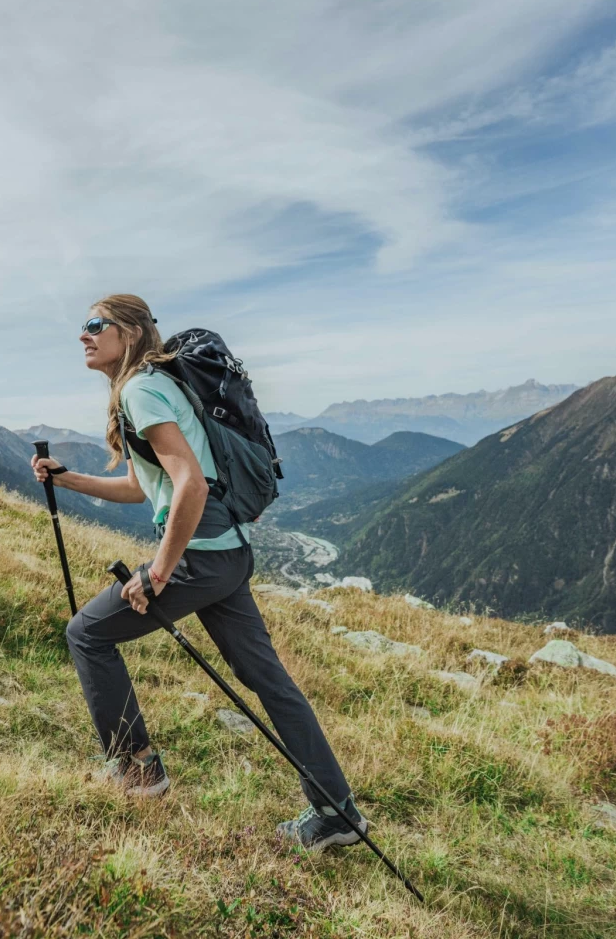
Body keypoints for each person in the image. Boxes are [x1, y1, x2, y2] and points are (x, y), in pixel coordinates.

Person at [29, 293, 365, 853]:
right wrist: (67, 480)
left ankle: (138, 770)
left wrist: (159, 572)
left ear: (129, 332)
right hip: (228, 551)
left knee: (86, 634)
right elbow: (145, 486)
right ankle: (338, 813)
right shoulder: (156, 386)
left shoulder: (140, 389)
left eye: (95, 325)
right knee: (270, 682)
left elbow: (189, 483)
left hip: (198, 556)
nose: (84, 336)